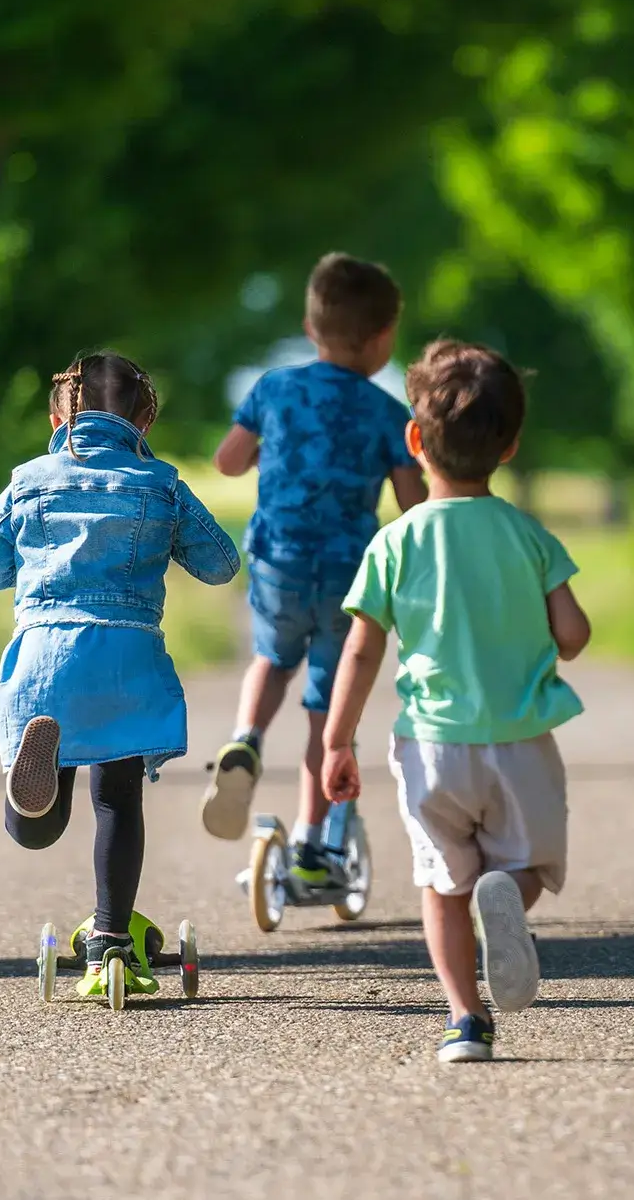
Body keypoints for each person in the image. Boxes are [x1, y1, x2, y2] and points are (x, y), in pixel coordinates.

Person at [320, 339, 591, 1064]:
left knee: (441, 886)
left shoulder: (394, 541)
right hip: (522, 739)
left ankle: (465, 1020)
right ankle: (507, 893)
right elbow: (573, 634)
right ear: (510, 445)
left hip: (431, 745)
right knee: (524, 864)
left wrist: (336, 740)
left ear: (415, 440)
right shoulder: (528, 534)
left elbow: (361, 648)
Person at [0, 352, 240, 998]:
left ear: (58, 416)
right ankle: (111, 937)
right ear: (145, 418)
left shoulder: (28, 478)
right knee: (118, 798)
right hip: (125, 654)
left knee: (41, 824)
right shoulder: (160, 483)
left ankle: (27, 799)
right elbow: (222, 564)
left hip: (43, 655)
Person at [199, 253, 427, 883]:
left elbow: (226, 461)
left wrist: (267, 455)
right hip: (351, 575)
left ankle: (245, 738)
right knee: (328, 709)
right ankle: (311, 847)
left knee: (271, 659)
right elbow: (414, 507)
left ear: (310, 323)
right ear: (383, 341)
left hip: (279, 560)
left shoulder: (274, 390)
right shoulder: (387, 414)